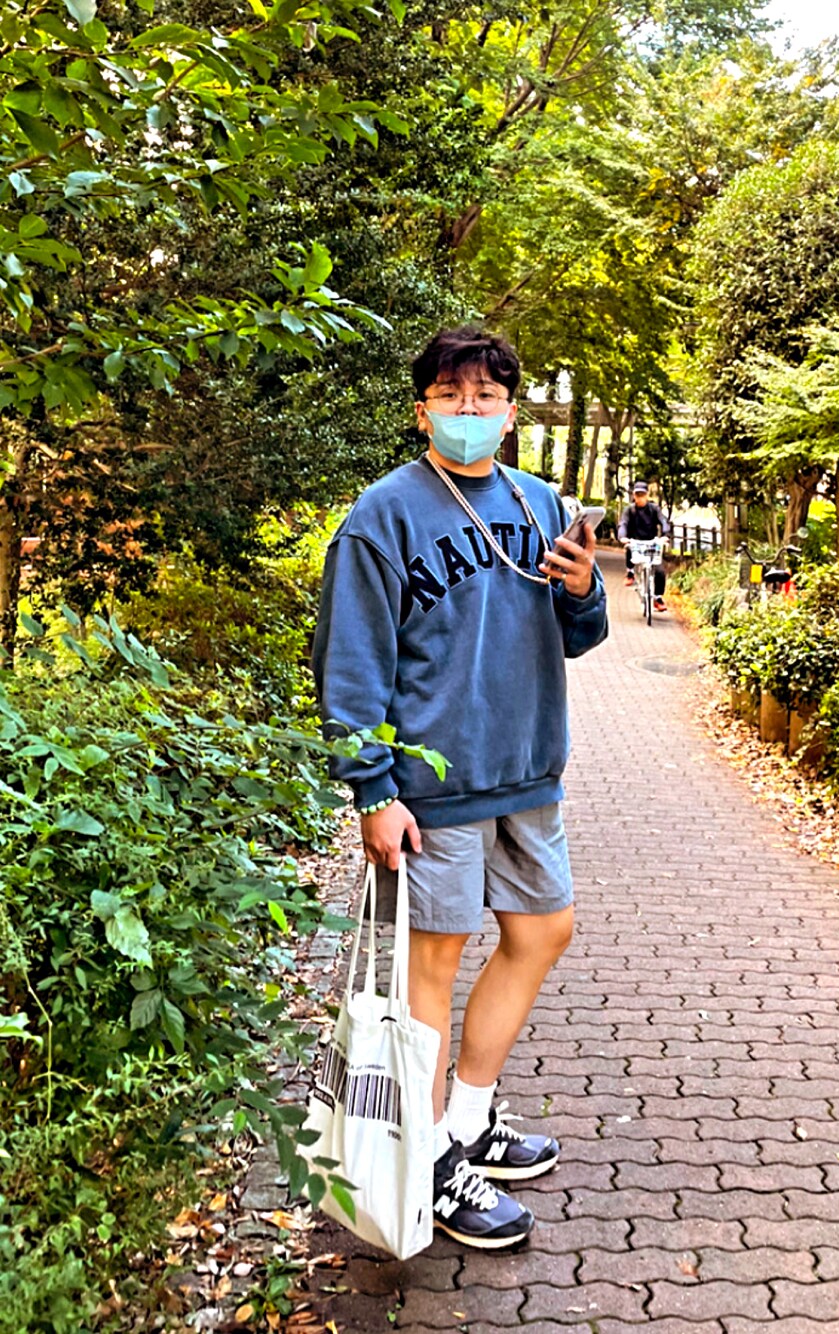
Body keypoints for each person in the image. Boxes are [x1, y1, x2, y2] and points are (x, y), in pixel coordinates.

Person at [312, 326, 608, 1251]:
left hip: (528, 769)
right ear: (422, 411)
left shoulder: (538, 501)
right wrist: (372, 792)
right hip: (431, 788)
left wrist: (585, 590)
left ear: (511, 414)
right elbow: (350, 664)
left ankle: (468, 1119)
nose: (469, 410)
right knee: (432, 967)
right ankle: (431, 1163)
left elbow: (579, 636)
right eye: (451, 395)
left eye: (486, 397)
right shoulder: (383, 516)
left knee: (543, 930)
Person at [618, 481, 669, 612]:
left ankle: (657, 598)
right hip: (635, 542)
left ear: (647, 495)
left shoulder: (654, 509)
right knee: (629, 546)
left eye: (642, 494)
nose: (640, 497)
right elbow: (623, 524)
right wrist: (622, 537)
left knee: (660, 571)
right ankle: (630, 572)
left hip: (651, 543)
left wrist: (665, 535)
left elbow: (663, 521)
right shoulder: (629, 510)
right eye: (637, 495)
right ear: (634, 496)